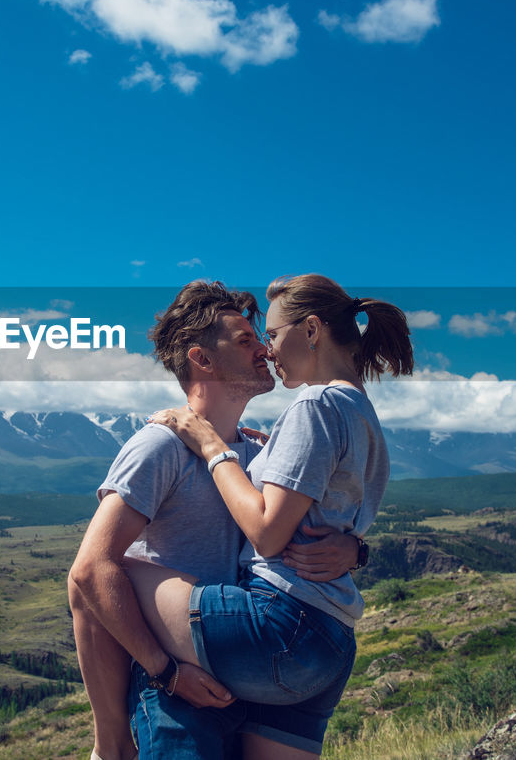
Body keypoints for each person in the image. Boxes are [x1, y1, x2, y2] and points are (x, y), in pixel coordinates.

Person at [67, 281, 363, 760]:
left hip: (241, 667)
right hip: (174, 686)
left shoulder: (257, 453)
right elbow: (90, 571)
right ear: (202, 359)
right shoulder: (161, 446)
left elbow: (317, 523)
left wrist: (355, 550)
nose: (265, 350)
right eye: (246, 342)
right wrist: (166, 674)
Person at [136, 274, 413, 759]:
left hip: (280, 623)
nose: (268, 350)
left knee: (115, 568)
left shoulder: (316, 403)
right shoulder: (359, 410)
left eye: (274, 335)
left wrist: (211, 445)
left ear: (311, 331)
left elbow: (266, 533)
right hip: (332, 641)